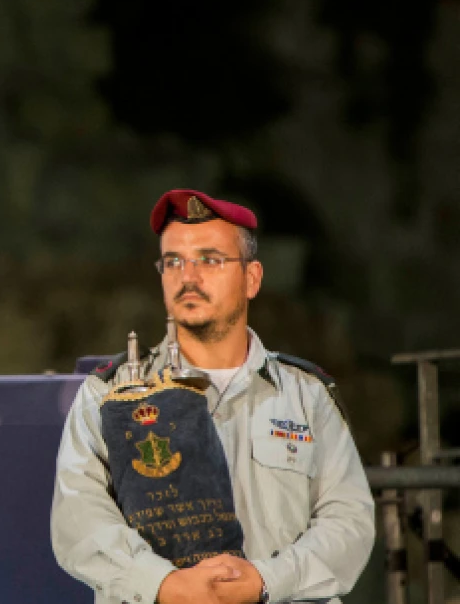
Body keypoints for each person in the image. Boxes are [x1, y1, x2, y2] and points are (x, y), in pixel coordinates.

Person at [51, 189, 374, 604]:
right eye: (173, 262)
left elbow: (349, 522)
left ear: (252, 278)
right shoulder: (109, 397)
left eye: (210, 260)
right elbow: (79, 522)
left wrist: (265, 579)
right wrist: (165, 584)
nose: (188, 276)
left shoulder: (306, 396)